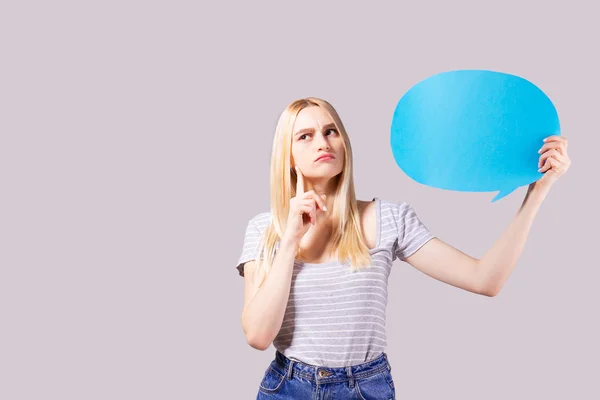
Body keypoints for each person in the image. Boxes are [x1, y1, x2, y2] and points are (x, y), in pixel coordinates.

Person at [235, 97, 571, 399]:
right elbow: (259, 336)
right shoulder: (264, 230)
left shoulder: (389, 219)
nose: (322, 142)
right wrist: (290, 240)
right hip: (288, 388)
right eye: (304, 136)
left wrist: (537, 192)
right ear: (288, 156)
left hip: (365, 389)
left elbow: (485, 280)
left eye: (331, 131)